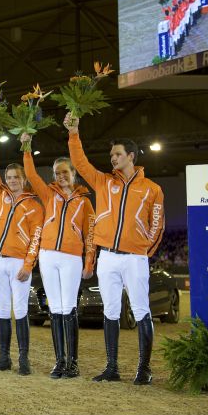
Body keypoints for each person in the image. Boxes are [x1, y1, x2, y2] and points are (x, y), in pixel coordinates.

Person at [64, 112, 165, 385]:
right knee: (110, 310)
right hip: (107, 257)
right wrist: (74, 133)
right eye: (111, 156)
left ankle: (144, 369)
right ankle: (112, 367)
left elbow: (157, 226)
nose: (113, 158)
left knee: (141, 310)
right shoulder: (103, 182)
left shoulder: (152, 189)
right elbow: (80, 163)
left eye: (118, 154)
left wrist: (143, 250)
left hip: (135, 258)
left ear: (131, 156)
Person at [21, 133, 95, 378]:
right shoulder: (48, 194)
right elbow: (30, 174)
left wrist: (89, 261)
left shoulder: (84, 201)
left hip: (72, 258)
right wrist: (27, 146)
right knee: (54, 308)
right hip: (48, 256)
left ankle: (72, 363)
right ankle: (59, 361)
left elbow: (90, 234)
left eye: (65, 172)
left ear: (74, 174)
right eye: (56, 172)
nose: (60, 176)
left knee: (69, 306)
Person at [0, 138, 43, 376]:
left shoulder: (34, 206)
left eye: (16, 177)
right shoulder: (0, 195)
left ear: (24, 179)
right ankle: (4, 358)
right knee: (2, 308)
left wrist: (29, 264)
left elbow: (36, 238)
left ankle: (24, 359)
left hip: (19, 262)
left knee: (20, 309)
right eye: (8, 178)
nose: (11, 181)